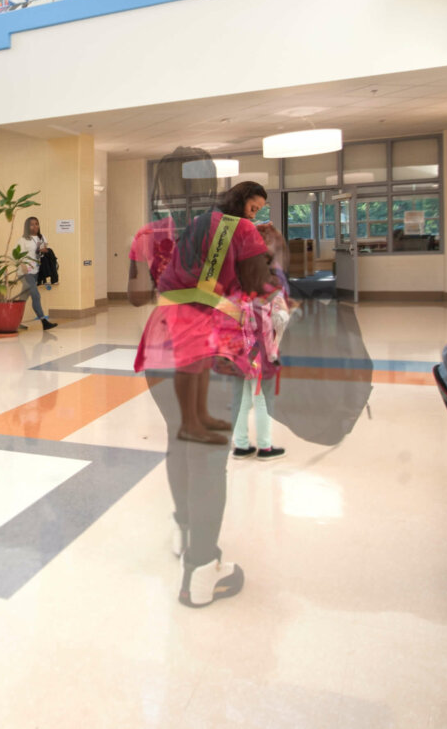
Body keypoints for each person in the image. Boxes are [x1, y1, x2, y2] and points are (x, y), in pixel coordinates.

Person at [128, 152, 272, 608]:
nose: (255, 214)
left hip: (161, 345)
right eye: (254, 206)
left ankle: (185, 530)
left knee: (179, 439)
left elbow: (135, 294)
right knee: (209, 455)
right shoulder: (241, 232)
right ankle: (202, 570)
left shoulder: (160, 232)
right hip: (211, 352)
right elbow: (257, 287)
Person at [231, 221, 291, 461]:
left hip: (238, 350)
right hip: (262, 352)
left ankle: (241, 445)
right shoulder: (272, 285)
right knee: (263, 399)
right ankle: (265, 447)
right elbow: (281, 318)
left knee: (242, 398)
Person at [17, 215, 55, 330]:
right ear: (27, 226)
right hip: (25, 273)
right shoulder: (23, 240)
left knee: (23, 298)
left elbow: (44, 250)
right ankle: (44, 321)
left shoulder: (41, 237)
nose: (35, 226)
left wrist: (44, 250)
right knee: (36, 295)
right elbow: (17, 255)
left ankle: (15, 322)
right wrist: (23, 265)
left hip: (36, 271)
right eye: (32, 224)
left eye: (37, 224)